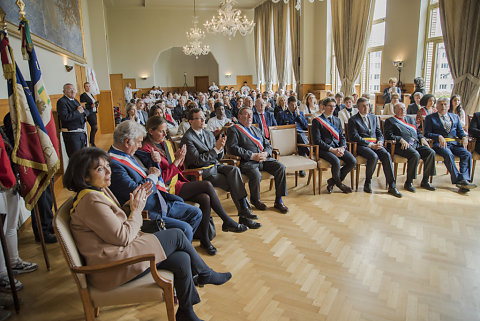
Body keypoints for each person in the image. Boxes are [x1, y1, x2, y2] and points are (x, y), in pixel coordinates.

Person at [64, 147, 232, 321]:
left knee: (182, 259)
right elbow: (122, 237)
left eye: (107, 166)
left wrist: (131, 205)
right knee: (176, 235)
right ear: (84, 176)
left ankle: (186, 313)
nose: (108, 171)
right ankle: (205, 273)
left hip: (119, 254)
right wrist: (136, 210)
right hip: (113, 267)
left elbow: (112, 224)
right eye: (100, 169)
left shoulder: (96, 192)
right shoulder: (91, 201)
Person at [139, 117, 248, 255]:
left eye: (166, 131)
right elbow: (161, 179)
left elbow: (179, 168)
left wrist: (179, 159)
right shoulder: (147, 149)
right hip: (166, 189)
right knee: (207, 185)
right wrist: (177, 161)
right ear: (150, 131)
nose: (165, 134)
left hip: (177, 182)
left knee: (205, 198)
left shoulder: (166, 143)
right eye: (161, 131)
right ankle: (226, 221)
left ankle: (205, 240)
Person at [108, 121, 202, 241]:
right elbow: (137, 192)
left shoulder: (129, 153)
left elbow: (150, 167)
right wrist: (152, 176)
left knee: (196, 213)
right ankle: (179, 251)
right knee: (185, 229)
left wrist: (154, 161)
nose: (140, 145)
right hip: (149, 210)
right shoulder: (114, 163)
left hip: (160, 200)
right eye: (139, 142)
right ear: (127, 142)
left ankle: (179, 248)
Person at [181, 108, 261, 229]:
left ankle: (244, 212)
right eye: (199, 118)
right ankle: (244, 215)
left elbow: (219, 156)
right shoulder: (187, 138)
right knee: (234, 183)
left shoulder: (207, 133)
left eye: (204, 117)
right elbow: (196, 161)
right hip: (203, 172)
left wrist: (221, 147)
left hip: (215, 165)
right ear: (190, 121)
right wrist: (216, 150)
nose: (203, 120)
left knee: (234, 170)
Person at [227, 107, 289, 213]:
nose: (250, 116)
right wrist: (252, 155)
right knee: (256, 175)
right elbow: (233, 147)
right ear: (239, 116)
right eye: (246, 114)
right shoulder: (234, 129)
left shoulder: (256, 129)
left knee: (281, 167)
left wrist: (266, 153)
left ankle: (279, 200)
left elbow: (268, 144)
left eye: (251, 114)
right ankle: (255, 200)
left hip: (264, 158)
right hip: (248, 161)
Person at [348, 97, 402, 197]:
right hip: (362, 146)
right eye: (363, 106)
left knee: (386, 155)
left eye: (367, 105)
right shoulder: (353, 120)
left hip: (376, 144)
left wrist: (380, 142)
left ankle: (392, 186)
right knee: (373, 156)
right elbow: (354, 137)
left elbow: (379, 133)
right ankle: (368, 182)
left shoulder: (373, 117)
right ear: (358, 107)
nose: (366, 108)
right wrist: (370, 145)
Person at [423, 97, 476, 193]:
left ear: (448, 107)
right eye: (441, 104)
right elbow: (426, 133)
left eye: (445, 104)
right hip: (439, 144)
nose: (443, 106)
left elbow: (460, 131)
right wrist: (438, 136)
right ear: (437, 106)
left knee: (467, 154)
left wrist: (464, 137)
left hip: (454, 143)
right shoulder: (430, 118)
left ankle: (464, 179)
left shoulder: (455, 117)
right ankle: (458, 181)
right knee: (448, 154)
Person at [384, 103, 436, 192]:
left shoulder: (410, 119)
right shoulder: (390, 121)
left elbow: (418, 132)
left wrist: (422, 138)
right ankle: (409, 182)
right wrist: (400, 139)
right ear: (395, 110)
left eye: (404, 108)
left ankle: (425, 180)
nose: (402, 110)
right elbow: (388, 135)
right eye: (400, 109)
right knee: (415, 155)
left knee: (430, 152)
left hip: (415, 144)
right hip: (400, 146)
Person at [312, 98, 356, 193]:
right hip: (324, 149)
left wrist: (342, 148)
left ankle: (332, 182)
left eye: (334, 106)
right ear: (324, 107)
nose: (332, 108)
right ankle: (340, 185)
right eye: (330, 106)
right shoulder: (317, 121)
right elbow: (317, 141)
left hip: (338, 148)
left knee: (352, 161)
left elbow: (342, 137)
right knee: (336, 161)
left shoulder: (337, 120)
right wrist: (332, 149)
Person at [276, 96, 310, 175]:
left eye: (295, 105)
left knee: (300, 137)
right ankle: (309, 152)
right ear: (288, 104)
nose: (294, 107)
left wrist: (299, 116)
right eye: (292, 105)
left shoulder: (300, 113)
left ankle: (301, 167)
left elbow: (305, 126)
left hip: (300, 135)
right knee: (300, 137)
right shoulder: (282, 114)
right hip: (287, 136)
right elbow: (278, 127)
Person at [57, 83, 89, 158]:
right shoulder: (62, 102)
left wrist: (83, 113)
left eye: (74, 89)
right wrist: (78, 112)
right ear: (64, 91)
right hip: (72, 134)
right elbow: (65, 117)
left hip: (80, 133)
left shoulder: (75, 101)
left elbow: (86, 111)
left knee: (83, 157)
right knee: (75, 158)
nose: (73, 91)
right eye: (70, 90)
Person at [79, 82, 99, 147]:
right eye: (86, 86)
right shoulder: (83, 95)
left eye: (89, 86)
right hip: (89, 113)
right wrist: (91, 106)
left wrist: (96, 105)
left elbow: (93, 103)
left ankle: (92, 141)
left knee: (95, 128)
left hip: (94, 112)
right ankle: (92, 142)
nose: (88, 87)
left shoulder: (91, 94)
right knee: (94, 127)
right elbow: (83, 105)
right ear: (84, 87)